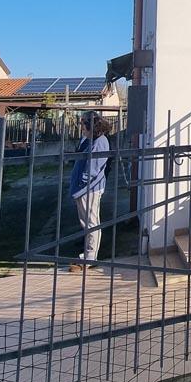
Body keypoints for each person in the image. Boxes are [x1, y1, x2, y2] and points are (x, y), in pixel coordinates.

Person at [69, 113, 110, 272]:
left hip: (90, 189)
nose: (81, 127)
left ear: (90, 126)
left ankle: (90, 257)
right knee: (86, 222)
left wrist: (81, 182)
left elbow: (93, 169)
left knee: (91, 222)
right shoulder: (89, 139)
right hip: (83, 189)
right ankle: (87, 254)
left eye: (83, 124)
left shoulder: (100, 142)